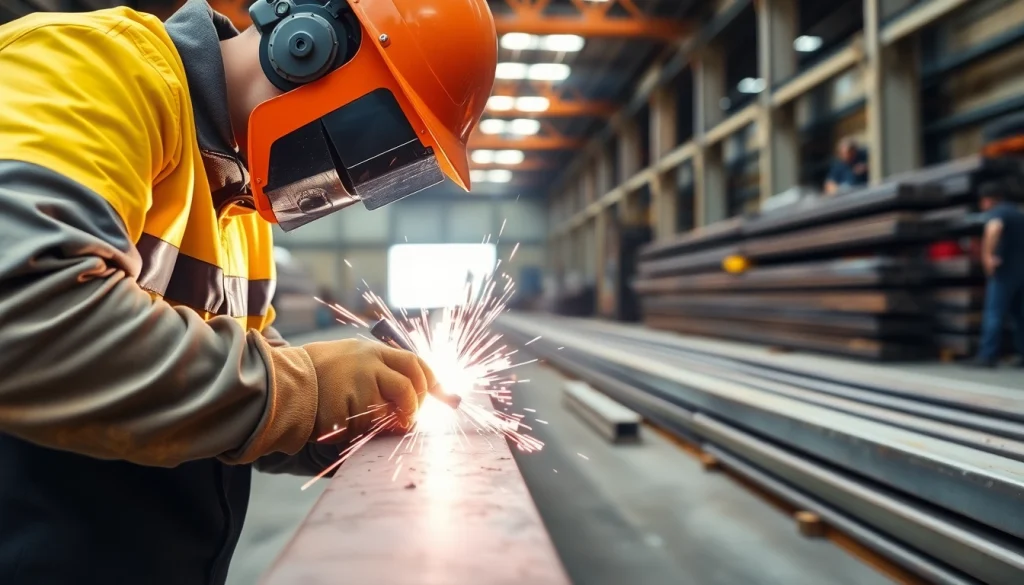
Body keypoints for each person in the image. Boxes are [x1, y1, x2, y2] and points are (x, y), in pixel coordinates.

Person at [0, 0, 497, 583]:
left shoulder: (237, 206)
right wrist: (304, 387)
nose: (360, 179)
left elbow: (225, 399)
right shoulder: (92, 66)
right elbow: (28, 316)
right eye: (377, 143)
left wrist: (341, 413)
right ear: (310, 46)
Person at [969, 181, 1024, 367]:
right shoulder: (1018, 213)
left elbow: (994, 229)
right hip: (1021, 272)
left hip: (1004, 272)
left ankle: (987, 356)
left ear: (987, 200)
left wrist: (987, 256)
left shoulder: (998, 212)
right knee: (1019, 315)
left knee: (994, 313)